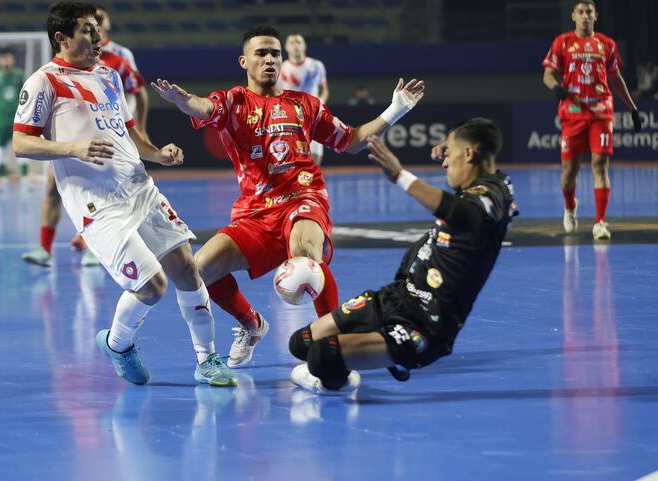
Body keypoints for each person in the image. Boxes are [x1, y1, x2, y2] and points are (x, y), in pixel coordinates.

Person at [152, 24, 424, 369]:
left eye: (275, 53)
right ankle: (251, 325)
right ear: (244, 61)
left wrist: (395, 109)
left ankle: (334, 349)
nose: (269, 59)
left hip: (304, 198)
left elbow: (351, 140)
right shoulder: (233, 100)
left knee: (306, 258)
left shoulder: (305, 104)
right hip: (255, 213)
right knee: (198, 270)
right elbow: (204, 108)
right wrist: (183, 101)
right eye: (261, 53)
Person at [13, 2, 235, 387]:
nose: (97, 37)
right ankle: (118, 345)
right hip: (97, 206)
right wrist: (72, 148)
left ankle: (207, 359)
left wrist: (157, 153)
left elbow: (128, 131)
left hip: (138, 187)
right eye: (87, 30)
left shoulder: (109, 76)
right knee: (152, 287)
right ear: (61, 38)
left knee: (186, 266)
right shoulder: (43, 82)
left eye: (97, 29)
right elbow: (20, 143)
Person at [288, 118, 517, 394]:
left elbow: (463, 213)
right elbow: (475, 145)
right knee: (300, 343)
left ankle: (363, 365)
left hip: (425, 324)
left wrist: (400, 175)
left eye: (450, 153)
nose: (444, 162)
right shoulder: (477, 187)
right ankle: (364, 355)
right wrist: (450, 145)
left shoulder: (494, 194)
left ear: (469, 154)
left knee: (323, 357)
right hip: (396, 296)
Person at [22, 9, 148, 268]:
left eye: (97, 23)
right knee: (53, 189)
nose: (95, 29)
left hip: (115, 138)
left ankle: (98, 246)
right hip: (73, 141)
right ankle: (45, 248)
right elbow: (22, 140)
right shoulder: (58, 68)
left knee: (106, 191)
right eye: (89, 26)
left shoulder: (119, 60)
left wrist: (141, 131)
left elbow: (139, 92)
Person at [542, 0, 641, 241]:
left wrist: (633, 108)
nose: (585, 16)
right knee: (569, 174)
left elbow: (616, 78)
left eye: (589, 12)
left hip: (601, 112)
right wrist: (556, 88)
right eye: (580, 12)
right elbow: (548, 74)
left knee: (600, 165)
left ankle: (600, 223)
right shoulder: (562, 42)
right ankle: (569, 206)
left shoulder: (606, 44)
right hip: (573, 114)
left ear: (595, 16)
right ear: (573, 16)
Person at [95, 5, 150, 134]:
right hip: (97, 121)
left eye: (101, 17)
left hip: (122, 122)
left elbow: (138, 90)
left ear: (107, 22)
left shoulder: (121, 54)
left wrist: (141, 128)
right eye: (95, 17)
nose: (98, 21)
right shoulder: (81, 54)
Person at [279, 33, 329, 165]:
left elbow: (324, 89)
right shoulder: (281, 69)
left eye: (299, 42)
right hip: (290, 119)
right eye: (292, 42)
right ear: (286, 47)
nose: (296, 45)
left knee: (315, 159)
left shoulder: (317, 66)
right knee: (291, 159)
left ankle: (311, 184)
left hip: (313, 116)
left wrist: (321, 102)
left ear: (304, 45)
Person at [0, 47, 29, 186]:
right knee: (0, 147)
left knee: (24, 147)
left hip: (19, 120)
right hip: (1, 121)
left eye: (8, 57)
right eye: (3, 58)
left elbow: (28, 94)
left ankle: (25, 178)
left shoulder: (20, 75)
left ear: (13, 59)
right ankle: (2, 178)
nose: (6, 60)